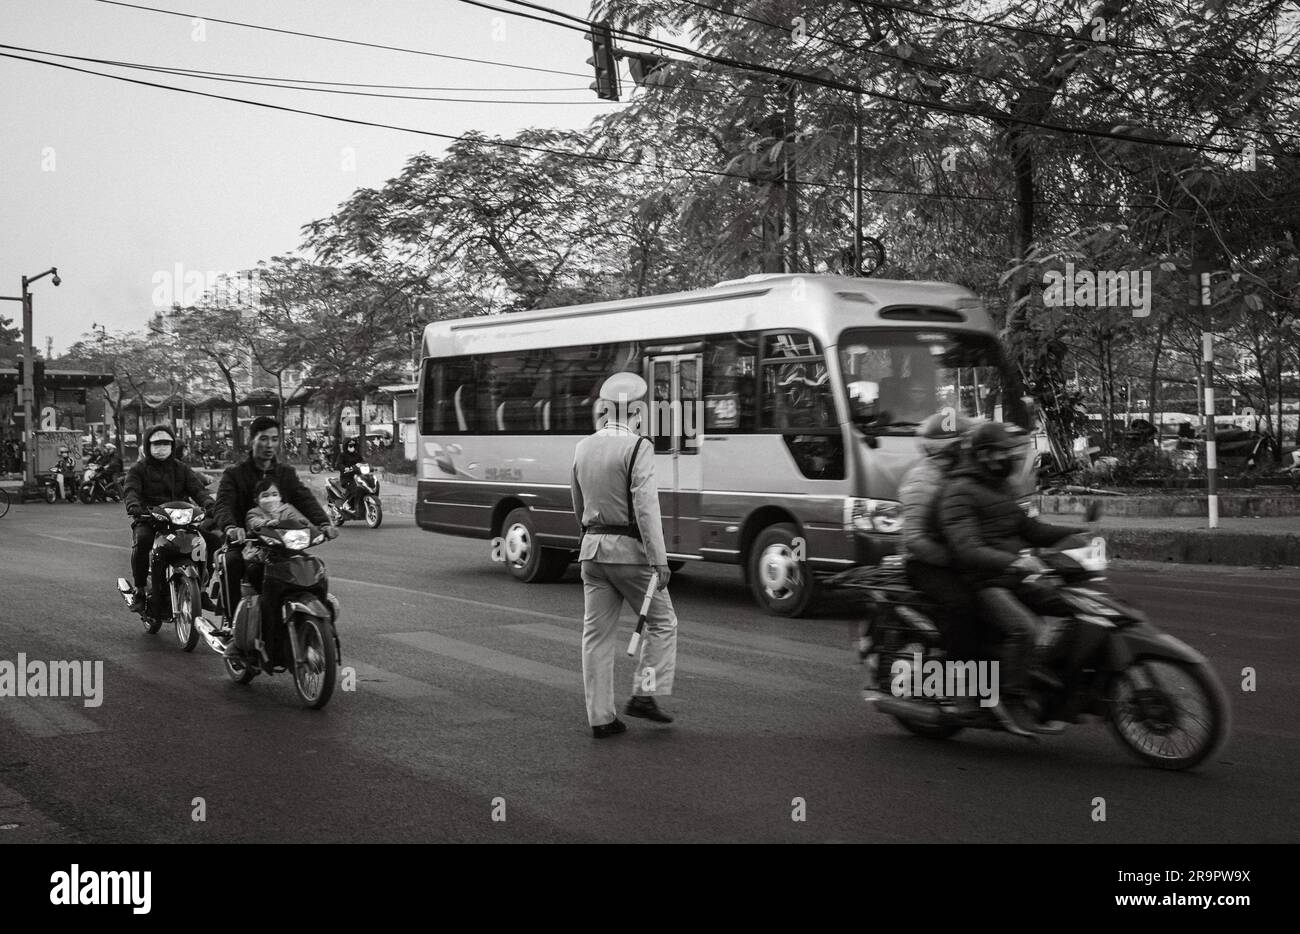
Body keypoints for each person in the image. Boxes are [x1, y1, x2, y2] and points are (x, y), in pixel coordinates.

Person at [938, 421, 1083, 735]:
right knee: (1025, 628)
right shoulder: (959, 491)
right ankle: (1011, 698)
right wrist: (1016, 560)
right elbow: (967, 549)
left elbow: (1030, 529)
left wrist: (1075, 534)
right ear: (984, 454)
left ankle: (1043, 680)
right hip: (986, 582)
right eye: (1004, 452)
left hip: (1015, 575)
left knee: (1077, 607)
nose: (1011, 458)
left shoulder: (1000, 487)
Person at [571, 372, 679, 739]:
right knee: (663, 623)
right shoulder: (638, 447)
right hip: (630, 555)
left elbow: (578, 503)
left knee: (596, 637)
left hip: (592, 553)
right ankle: (647, 693)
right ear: (636, 410)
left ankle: (601, 718)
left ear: (606, 408)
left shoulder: (583, 446)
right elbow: (646, 508)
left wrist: (588, 537)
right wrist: (659, 559)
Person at [214, 416, 334, 658]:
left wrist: (323, 523)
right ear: (251, 441)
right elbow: (223, 505)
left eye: (275, 439)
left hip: (282, 544)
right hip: (246, 542)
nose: (269, 445)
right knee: (233, 562)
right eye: (264, 439)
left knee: (312, 568)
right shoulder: (234, 474)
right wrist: (230, 527)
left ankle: (313, 623)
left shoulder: (286, 473)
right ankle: (233, 627)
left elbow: (304, 499)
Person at [885, 412, 981, 661]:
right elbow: (915, 540)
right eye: (963, 444)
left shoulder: (959, 476)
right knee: (963, 606)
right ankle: (957, 673)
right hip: (924, 564)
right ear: (950, 448)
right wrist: (954, 559)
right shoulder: (922, 481)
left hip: (959, 554)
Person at [122, 425, 217, 614]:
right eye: (157, 443)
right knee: (142, 542)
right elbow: (131, 489)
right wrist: (134, 506)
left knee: (212, 542)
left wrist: (210, 505)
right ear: (148, 445)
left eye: (166, 443)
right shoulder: (138, 469)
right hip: (150, 518)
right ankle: (140, 590)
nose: (162, 447)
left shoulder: (181, 469)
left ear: (173, 445)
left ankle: (203, 590)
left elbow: (198, 490)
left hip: (181, 518)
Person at [337, 437, 365, 508]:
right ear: (346, 446)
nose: (352, 447)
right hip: (347, 478)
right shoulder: (342, 455)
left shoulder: (357, 455)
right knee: (356, 489)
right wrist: (345, 468)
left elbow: (363, 462)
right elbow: (339, 465)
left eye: (354, 445)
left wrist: (368, 466)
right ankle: (347, 503)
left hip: (359, 477)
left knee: (366, 487)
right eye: (350, 445)